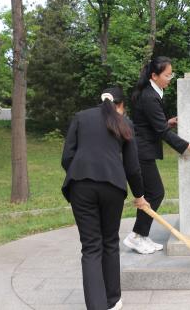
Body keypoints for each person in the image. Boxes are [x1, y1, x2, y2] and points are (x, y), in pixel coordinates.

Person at [61, 87, 150, 310]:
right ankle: (112, 300)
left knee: (91, 246)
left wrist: (81, 173)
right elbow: (132, 167)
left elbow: (67, 157)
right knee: (110, 242)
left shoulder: (81, 117)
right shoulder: (124, 123)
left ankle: (97, 306)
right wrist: (139, 196)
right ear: (121, 105)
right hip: (113, 186)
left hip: (81, 186)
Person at [123, 56, 190, 254]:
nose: (170, 79)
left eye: (171, 74)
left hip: (143, 149)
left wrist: (167, 122)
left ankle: (141, 235)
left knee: (153, 193)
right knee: (155, 193)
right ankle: (136, 236)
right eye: (167, 75)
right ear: (154, 76)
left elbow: (152, 123)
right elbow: (162, 132)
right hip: (142, 151)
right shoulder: (149, 96)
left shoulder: (152, 93)